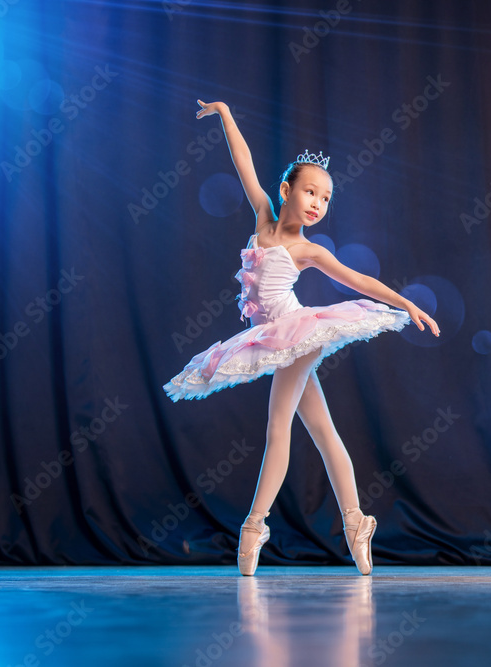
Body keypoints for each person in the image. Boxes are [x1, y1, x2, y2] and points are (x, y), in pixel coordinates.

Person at [164, 99, 440, 576]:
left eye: (326, 198)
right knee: (322, 430)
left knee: (278, 429)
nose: (317, 203)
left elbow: (360, 281)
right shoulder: (263, 218)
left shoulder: (306, 249)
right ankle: (357, 523)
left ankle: (254, 528)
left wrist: (407, 303)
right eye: (311, 192)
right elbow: (245, 164)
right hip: (274, 336)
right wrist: (228, 115)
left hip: (295, 333)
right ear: (286, 190)